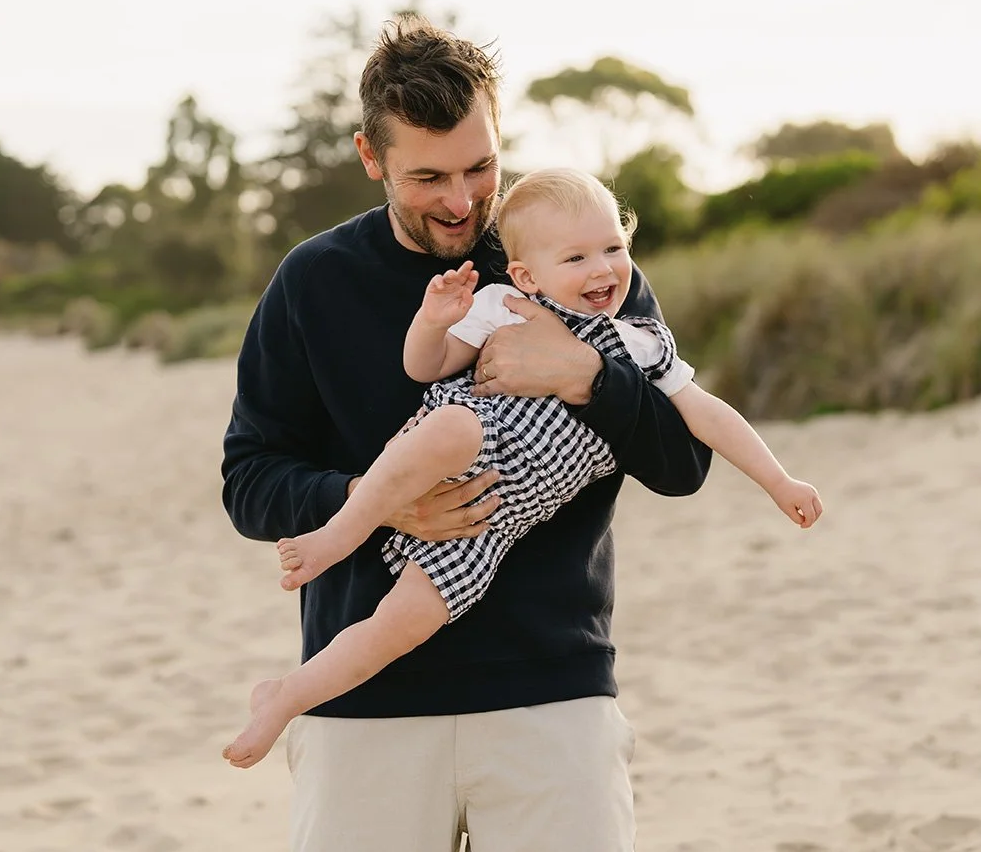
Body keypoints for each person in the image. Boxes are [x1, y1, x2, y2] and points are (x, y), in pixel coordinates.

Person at [220, 16, 712, 852]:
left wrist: (589, 378)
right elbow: (250, 478)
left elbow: (683, 463)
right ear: (370, 157)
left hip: (552, 694)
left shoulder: (582, 263)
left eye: (481, 167)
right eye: (427, 176)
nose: (461, 200)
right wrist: (374, 503)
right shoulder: (313, 280)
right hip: (362, 701)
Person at [222, 168, 823, 770]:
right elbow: (424, 367)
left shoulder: (640, 342)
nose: (603, 270)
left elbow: (705, 424)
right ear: (527, 275)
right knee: (455, 425)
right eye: (577, 257)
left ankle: (285, 696)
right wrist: (434, 320)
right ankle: (336, 535)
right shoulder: (500, 306)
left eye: (614, 248)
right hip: (458, 446)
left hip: (493, 527)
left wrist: (779, 481)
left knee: (398, 625)